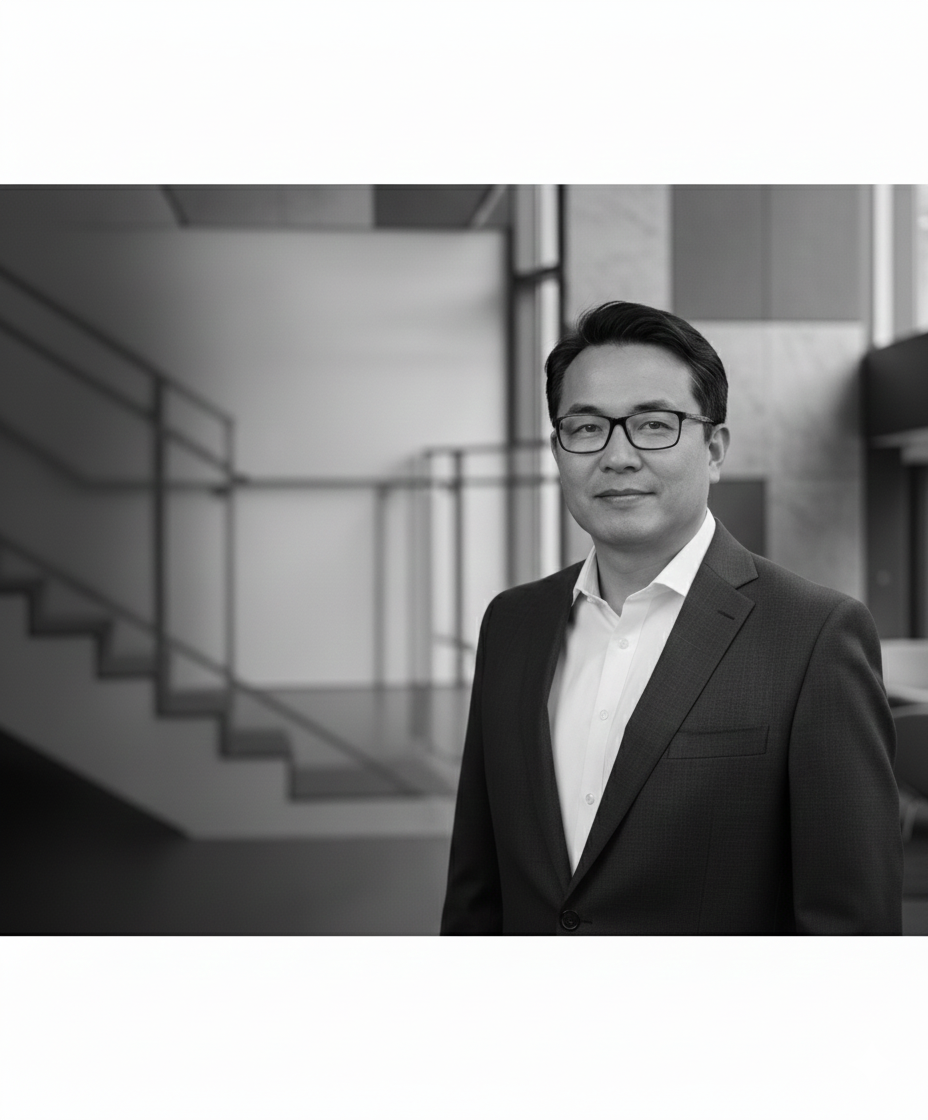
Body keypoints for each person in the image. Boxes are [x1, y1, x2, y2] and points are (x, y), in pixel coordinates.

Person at [441, 300, 903, 935]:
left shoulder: (814, 636)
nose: (618, 456)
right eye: (585, 428)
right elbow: (477, 883)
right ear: (558, 450)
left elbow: (850, 928)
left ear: (713, 449)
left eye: (654, 425)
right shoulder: (512, 624)